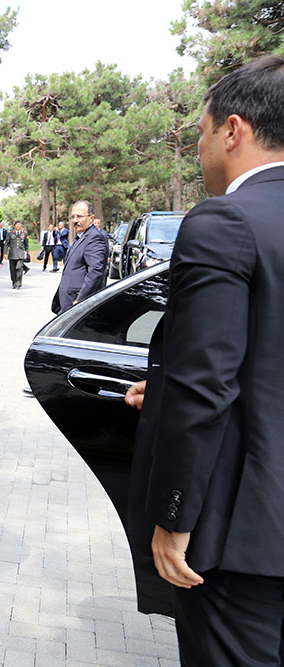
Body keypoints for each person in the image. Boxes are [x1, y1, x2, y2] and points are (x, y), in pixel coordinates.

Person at [124, 55, 284, 666]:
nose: (197, 149)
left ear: (232, 130)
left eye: (200, 132)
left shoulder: (225, 221)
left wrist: (174, 517)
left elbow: (205, 385)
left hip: (244, 537)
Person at [50, 201, 107, 314]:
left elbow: (96, 271)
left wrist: (80, 300)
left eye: (80, 216)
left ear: (91, 218)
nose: (75, 220)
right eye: (73, 217)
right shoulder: (82, 237)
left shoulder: (94, 238)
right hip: (69, 301)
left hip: (77, 303)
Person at [6, 220, 28, 289]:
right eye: (17, 224)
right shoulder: (10, 234)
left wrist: (26, 253)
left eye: (19, 224)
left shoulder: (24, 234)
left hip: (20, 254)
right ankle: (14, 282)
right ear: (14, 226)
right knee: (12, 270)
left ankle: (19, 283)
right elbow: (6, 244)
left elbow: (26, 245)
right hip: (12, 254)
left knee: (19, 268)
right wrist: (5, 253)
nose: (18, 226)